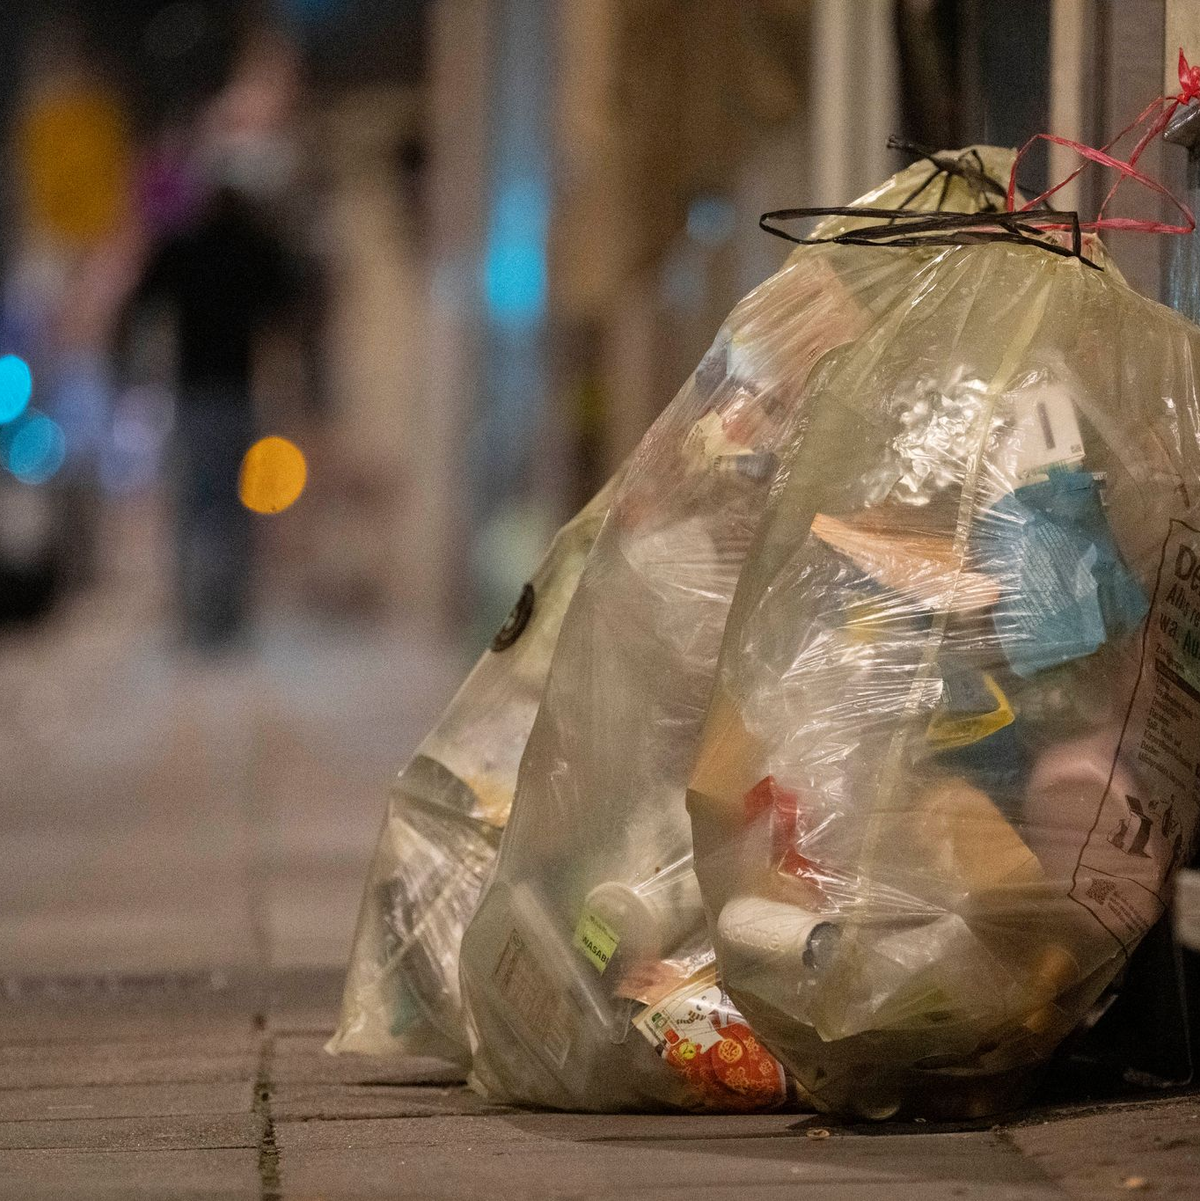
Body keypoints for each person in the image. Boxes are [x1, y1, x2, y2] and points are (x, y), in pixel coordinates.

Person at [130, 184, 293, 651]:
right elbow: (285, 301)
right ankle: (228, 617)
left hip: (195, 394)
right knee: (235, 508)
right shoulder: (252, 249)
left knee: (193, 506)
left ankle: (191, 615)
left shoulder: (184, 250)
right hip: (236, 394)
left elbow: (144, 298)